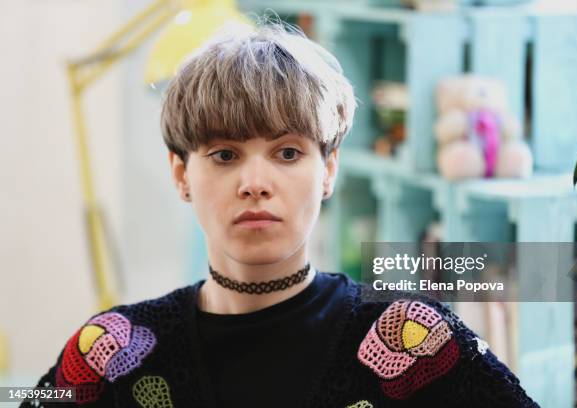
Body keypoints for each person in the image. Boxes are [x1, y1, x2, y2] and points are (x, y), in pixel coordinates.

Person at [24, 20, 538, 408]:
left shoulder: (417, 338)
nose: (255, 184)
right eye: (224, 155)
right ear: (181, 174)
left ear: (328, 169)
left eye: (288, 153)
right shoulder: (110, 351)